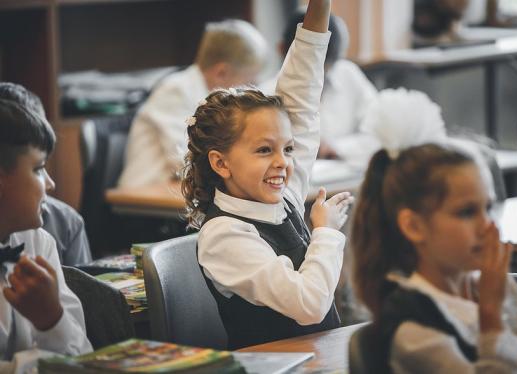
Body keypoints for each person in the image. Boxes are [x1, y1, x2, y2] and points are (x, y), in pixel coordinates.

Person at [182, 0, 354, 350]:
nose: (283, 163)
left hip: (316, 358)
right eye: (264, 150)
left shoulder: (280, 197)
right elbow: (309, 305)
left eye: (287, 149)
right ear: (221, 163)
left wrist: (319, 7)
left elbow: (301, 96)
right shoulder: (225, 236)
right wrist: (324, 233)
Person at [351, 111, 517, 372]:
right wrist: (492, 317)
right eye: (467, 212)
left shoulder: (502, 289)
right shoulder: (412, 326)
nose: (488, 226)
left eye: (488, 207)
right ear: (414, 226)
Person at [118, 19, 268, 188]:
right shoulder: (176, 91)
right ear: (221, 73)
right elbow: (183, 159)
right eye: (249, 81)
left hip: (179, 190)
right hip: (144, 196)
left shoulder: (211, 97)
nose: (252, 88)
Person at [0, 99, 92, 372]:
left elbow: (82, 357)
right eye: (38, 168)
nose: (50, 184)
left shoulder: (37, 242)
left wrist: (51, 319)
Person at [263, 10, 379, 165]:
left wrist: (337, 148)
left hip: (347, 175)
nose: (318, 80)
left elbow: (380, 132)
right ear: (282, 50)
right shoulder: (265, 95)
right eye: (308, 71)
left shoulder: (347, 73)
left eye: (327, 69)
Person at [0, 82, 92, 266]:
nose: (50, 183)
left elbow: (81, 293)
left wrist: (47, 296)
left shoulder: (44, 238)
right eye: (37, 168)